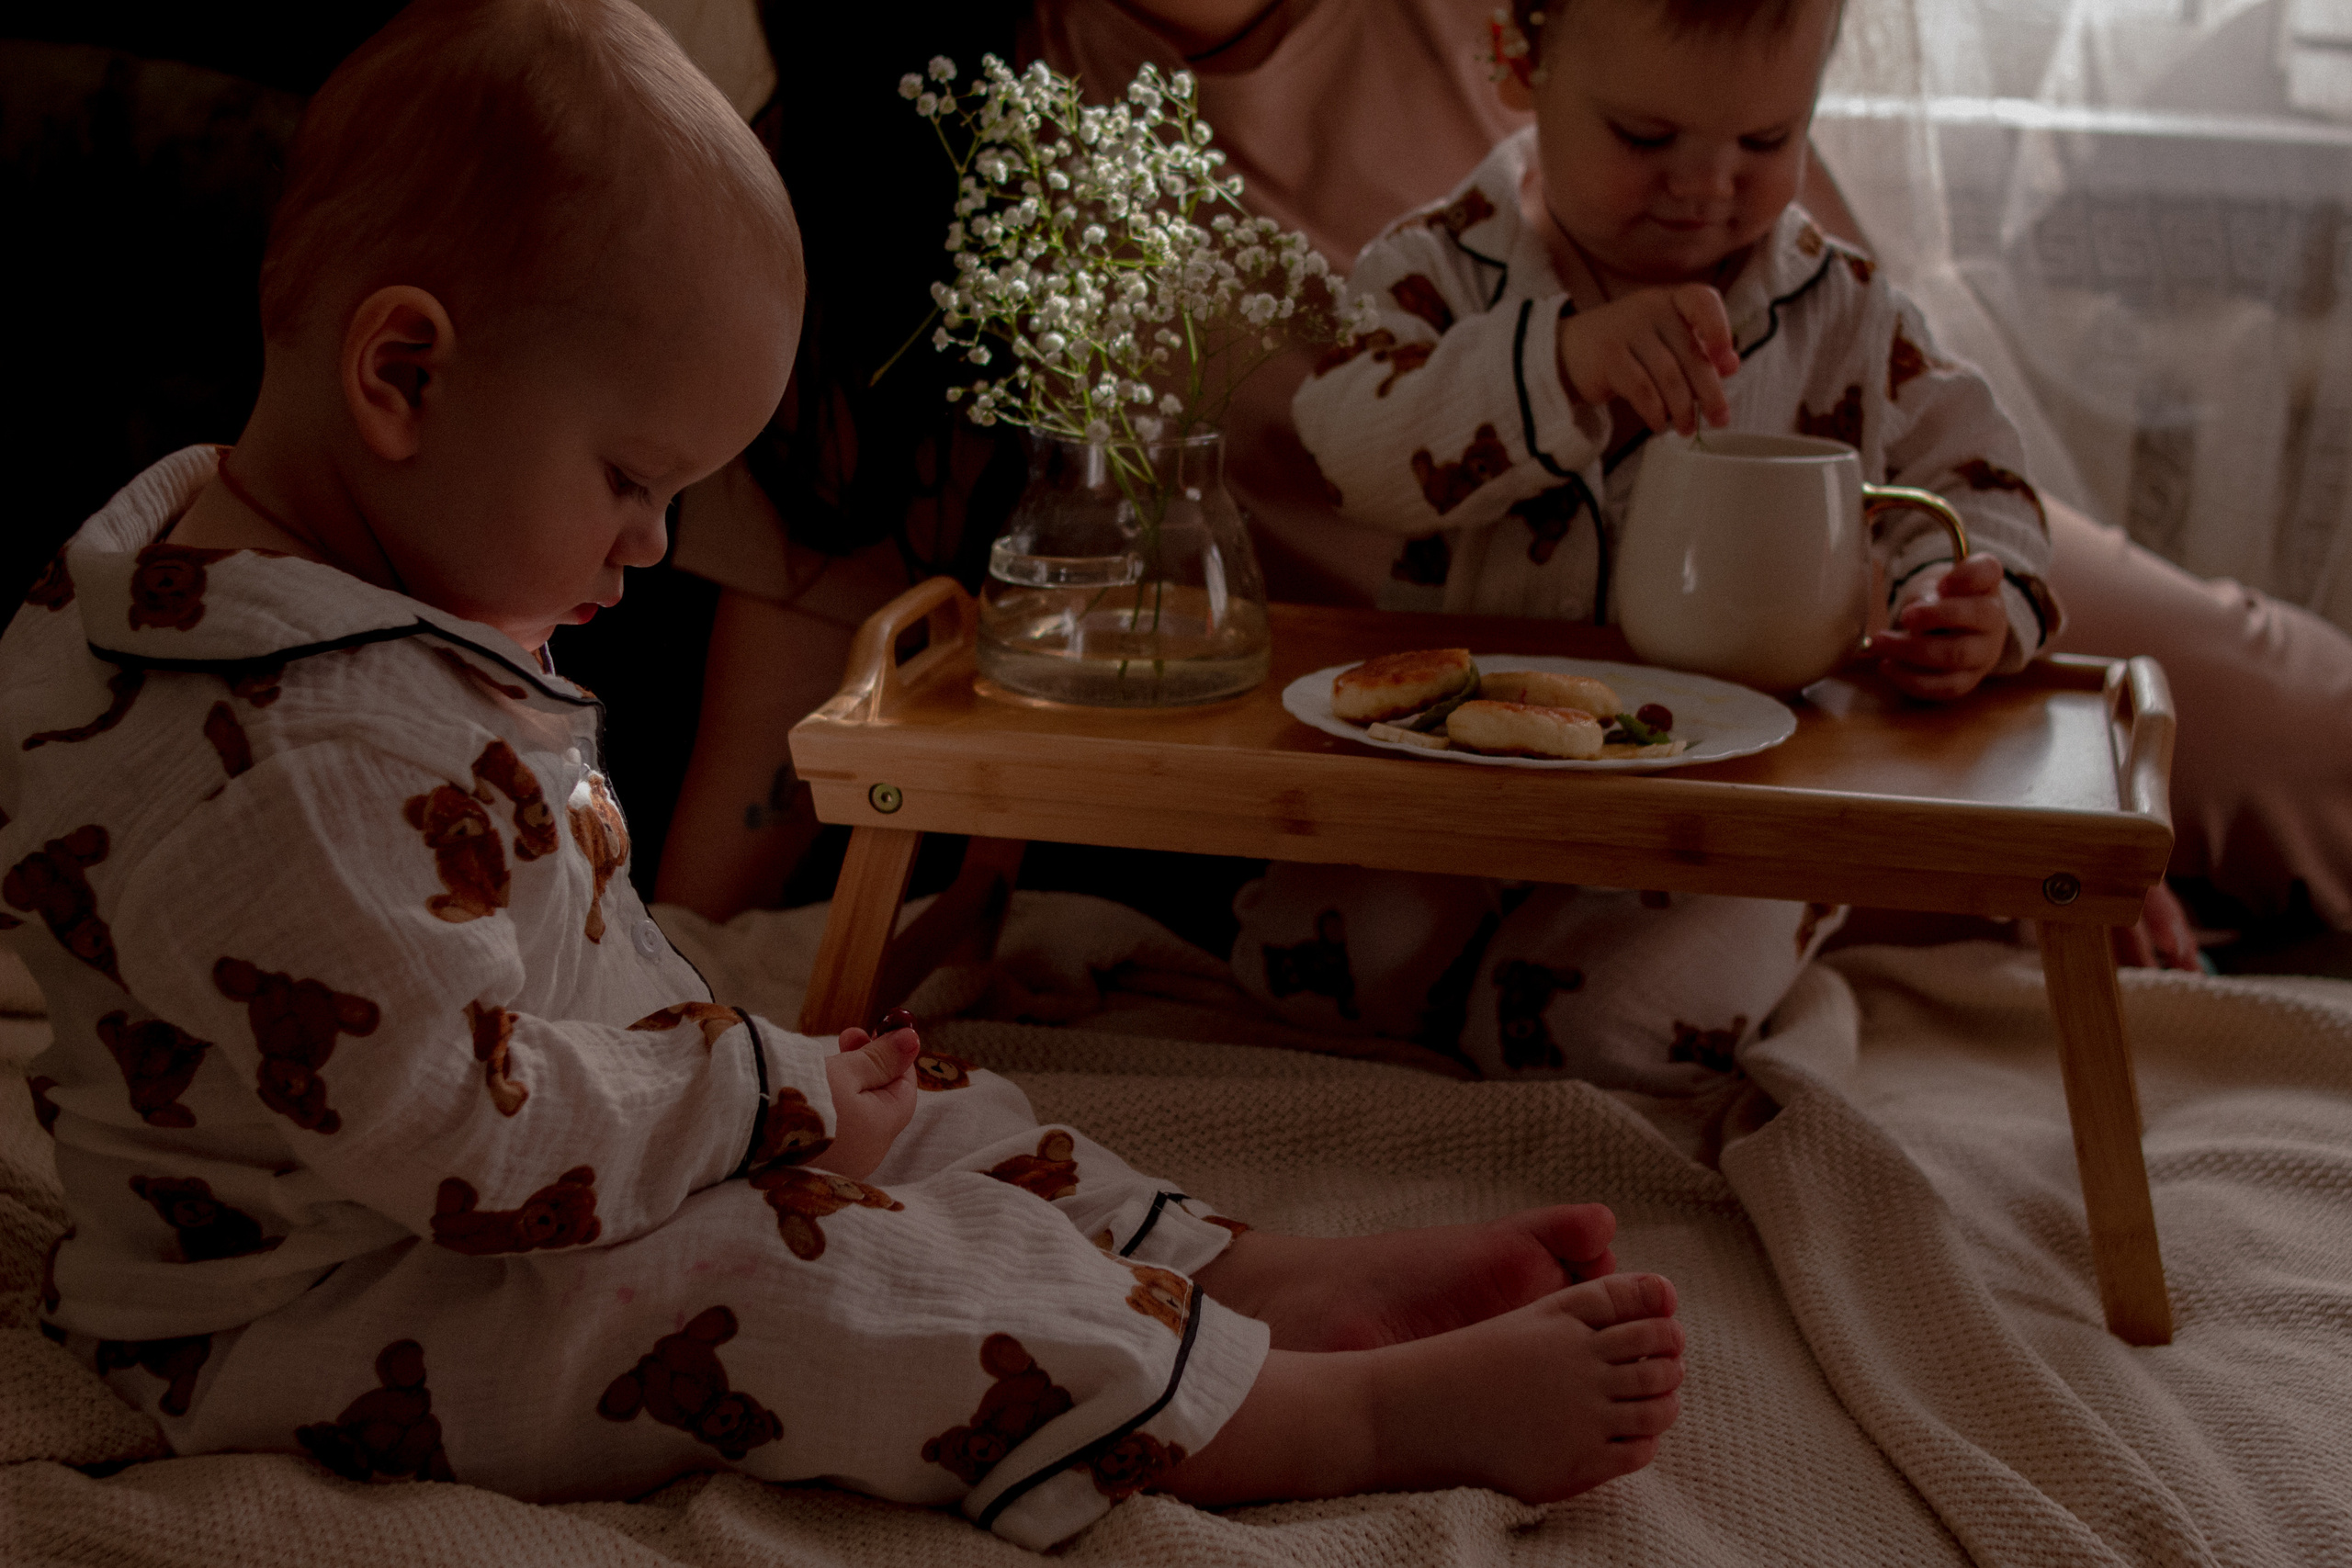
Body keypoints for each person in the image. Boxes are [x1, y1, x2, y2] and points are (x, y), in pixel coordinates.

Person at [0, 0, 1685, 1545]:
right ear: (405, 375)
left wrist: (772, 1084)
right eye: (631, 479)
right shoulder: (280, 761)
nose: (651, 546)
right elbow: (462, 1142)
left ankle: (1232, 1278)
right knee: (800, 1279)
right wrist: (761, 1106)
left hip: (553, 1150)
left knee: (925, 1110)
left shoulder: (262, 585)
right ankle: (1324, 1414)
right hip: (341, 1304)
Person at [658, 0, 2347, 968]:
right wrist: (665, 957)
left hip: (1827, 587)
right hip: (1501, 695)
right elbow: (808, 651)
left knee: (2278, 729)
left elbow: (1850, 355)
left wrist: (1994, 762)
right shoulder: (930, 130)